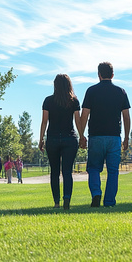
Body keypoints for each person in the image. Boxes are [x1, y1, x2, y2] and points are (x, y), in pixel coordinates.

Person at [79, 62, 130, 208]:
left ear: (99, 74)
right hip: (114, 137)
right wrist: (126, 138)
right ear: (112, 75)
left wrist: (81, 136)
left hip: (96, 136)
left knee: (94, 168)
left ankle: (96, 193)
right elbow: (126, 116)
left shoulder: (91, 91)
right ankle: (109, 202)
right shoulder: (121, 92)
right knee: (113, 171)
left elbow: (85, 115)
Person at [40, 73, 86, 209]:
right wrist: (82, 136)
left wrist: (41, 139)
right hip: (70, 139)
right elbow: (77, 121)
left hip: (52, 139)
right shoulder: (74, 101)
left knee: (54, 171)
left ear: (55, 85)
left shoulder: (48, 101)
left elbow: (44, 122)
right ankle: (67, 200)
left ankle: (56, 202)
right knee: (67, 172)